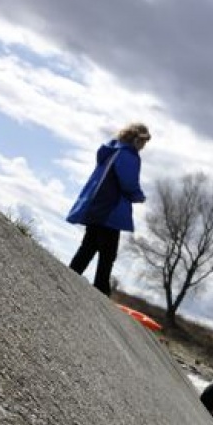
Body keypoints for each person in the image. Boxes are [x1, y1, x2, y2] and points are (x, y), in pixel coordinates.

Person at [66, 122, 151, 296]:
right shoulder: (128, 154)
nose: (143, 147)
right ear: (136, 139)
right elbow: (128, 183)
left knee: (89, 245)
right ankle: (101, 289)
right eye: (143, 142)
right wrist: (138, 196)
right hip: (111, 209)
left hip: (97, 205)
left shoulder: (111, 150)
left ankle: (70, 276)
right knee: (108, 253)